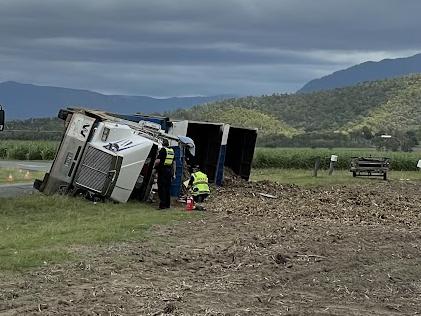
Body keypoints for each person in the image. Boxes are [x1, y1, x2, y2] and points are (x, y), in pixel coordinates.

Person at [154, 139, 175, 209]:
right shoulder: (171, 151)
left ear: (162, 144)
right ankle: (167, 205)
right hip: (169, 172)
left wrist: (154, 166)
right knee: (167, 188)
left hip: (162, 171)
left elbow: (158, 161)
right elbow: (174, 163)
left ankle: (162, 205)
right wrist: (174, 173)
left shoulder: (162, 150)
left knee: (161, 188)